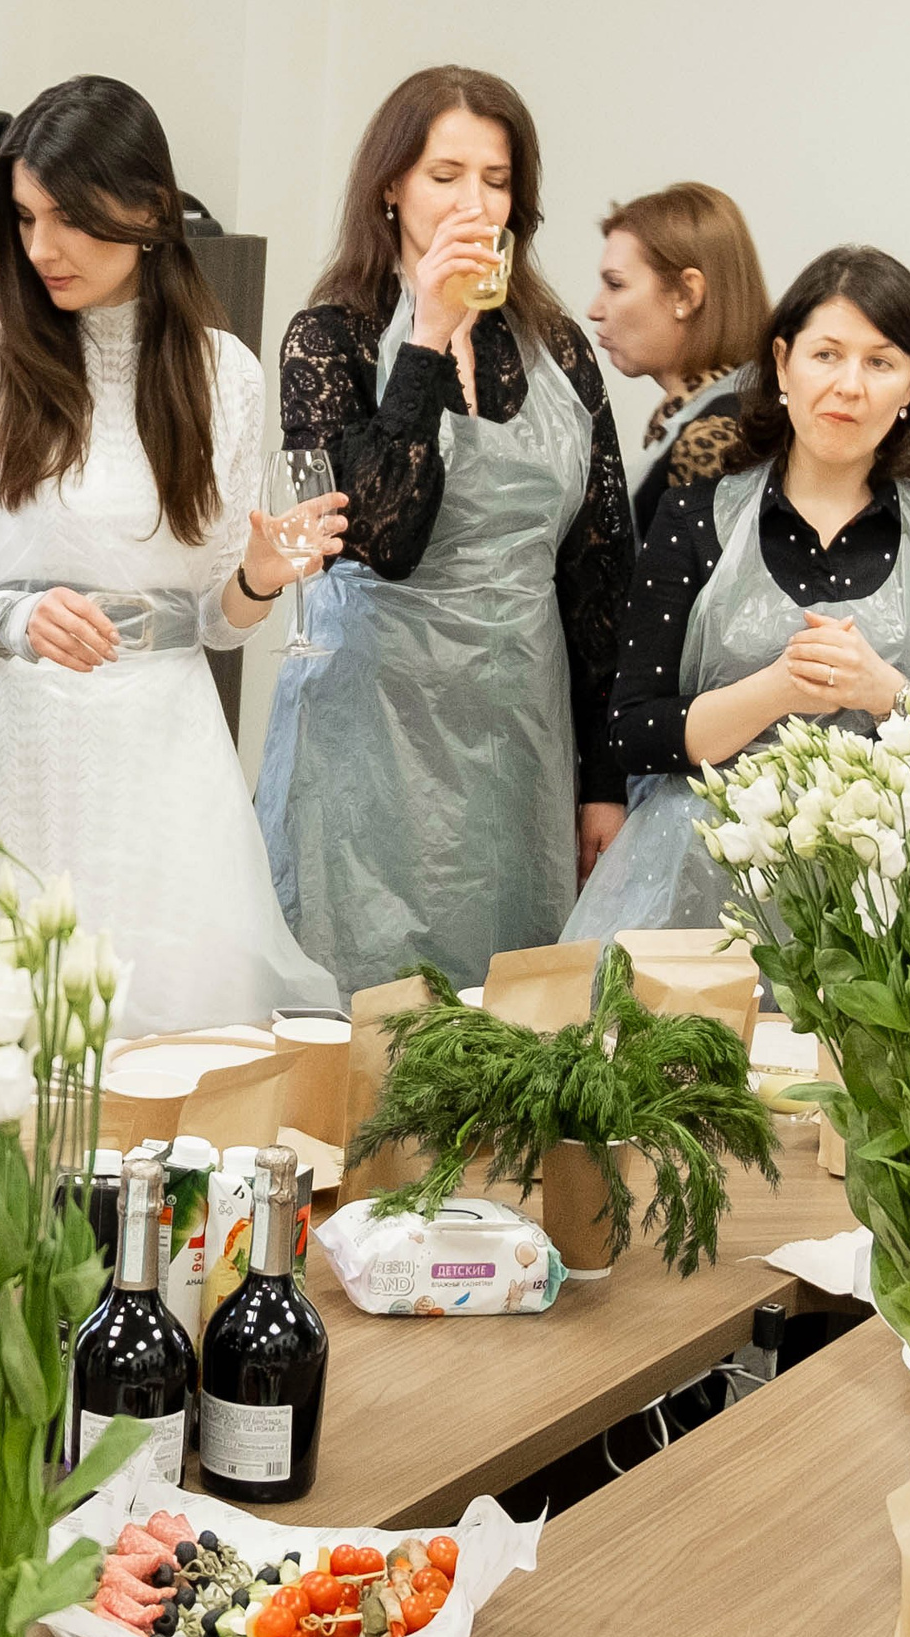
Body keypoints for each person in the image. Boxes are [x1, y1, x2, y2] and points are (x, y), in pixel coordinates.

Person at [0, 75, 340, 1035]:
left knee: (173, 1038)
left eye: (70, 218)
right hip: (11, 751)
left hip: (160, 756)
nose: (42, 248)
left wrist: (257, 580)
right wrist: (11, 619)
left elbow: (215, 627)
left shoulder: (222, 373)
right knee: (9, 1043)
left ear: (151, 209)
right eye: (26, 218)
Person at [255, 66, 634, 992]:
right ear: (391, 186)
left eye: (497, 181)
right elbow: (382, 538)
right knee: (361, 1013)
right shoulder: (328, 338)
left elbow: (600, 575)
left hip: (519, 737)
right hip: (367, 735)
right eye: (445, 175)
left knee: (515, 1017)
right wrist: (427, 335)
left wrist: (604, 782)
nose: (474, 204)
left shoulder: (559, 347)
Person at [565, 246, 910, 944]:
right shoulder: (694, 517)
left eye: (880, 363)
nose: (849, 386)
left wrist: (881, 691)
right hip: (693, 898)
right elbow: (634, 731)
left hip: (877, 915)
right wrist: (777, 689)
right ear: (783, 362)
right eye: (826, 355)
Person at [584, 182, 772, 539]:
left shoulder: (712, 437)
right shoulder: (727, 410)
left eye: (616, 285)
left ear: (686, 294)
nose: (594, 310)